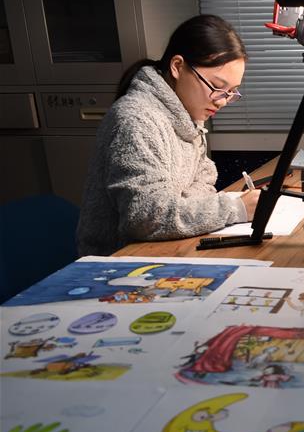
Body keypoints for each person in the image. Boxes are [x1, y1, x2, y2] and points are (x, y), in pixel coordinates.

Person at [77, 14, 260, 255]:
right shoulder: (136, 120)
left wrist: (178, 206)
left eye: (231, 92)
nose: (222, 101)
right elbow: (145, 217)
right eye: (217, 87)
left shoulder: (189, 112)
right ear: (177, 67)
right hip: (121, 262)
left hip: (167, 248)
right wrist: (234, 208)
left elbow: (205, 178)